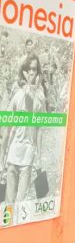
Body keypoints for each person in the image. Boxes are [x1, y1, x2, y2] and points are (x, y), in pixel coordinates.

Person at [3, 54, 46, 202]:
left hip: (27, 155)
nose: (31, 72)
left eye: (34, 69)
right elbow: (7, 128)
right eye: (28, 69)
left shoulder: (40, 98)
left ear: (38, 72)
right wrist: (2, 155)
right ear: (24, 71)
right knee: (9, 202)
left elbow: (40, 129)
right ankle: (8, 225)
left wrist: (39, 156)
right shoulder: (17, 95)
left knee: (20, 203)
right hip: (13, 154)